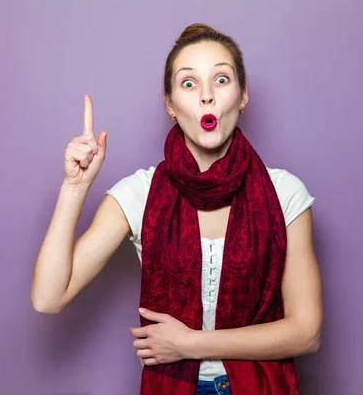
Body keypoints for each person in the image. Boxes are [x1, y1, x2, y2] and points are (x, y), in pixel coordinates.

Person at [31, 23, 323, 395]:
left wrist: (188, 344)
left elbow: (307, 332)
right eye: (189, 83)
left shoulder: (285, 193)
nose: (206, 97)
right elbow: (48, 297)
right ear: (170, 104)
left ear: (243, 95)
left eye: (221, 79)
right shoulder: (140, 193)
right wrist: (75, 188)